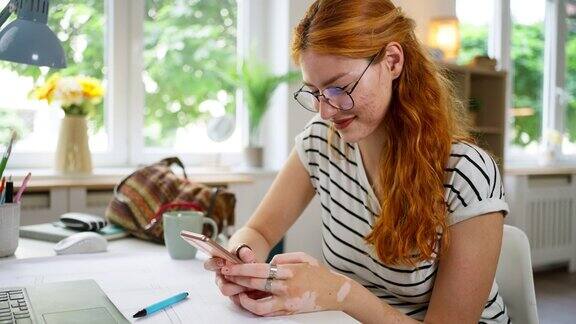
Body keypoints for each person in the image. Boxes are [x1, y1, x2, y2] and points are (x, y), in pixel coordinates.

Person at [203, 0, 510, 323]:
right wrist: (240, 258)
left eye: (339, 87)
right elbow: (259, 231)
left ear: (392, 61)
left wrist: (340, 292)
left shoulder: (466, 173)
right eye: (316, 92)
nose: (326, 110)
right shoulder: (322, 140)